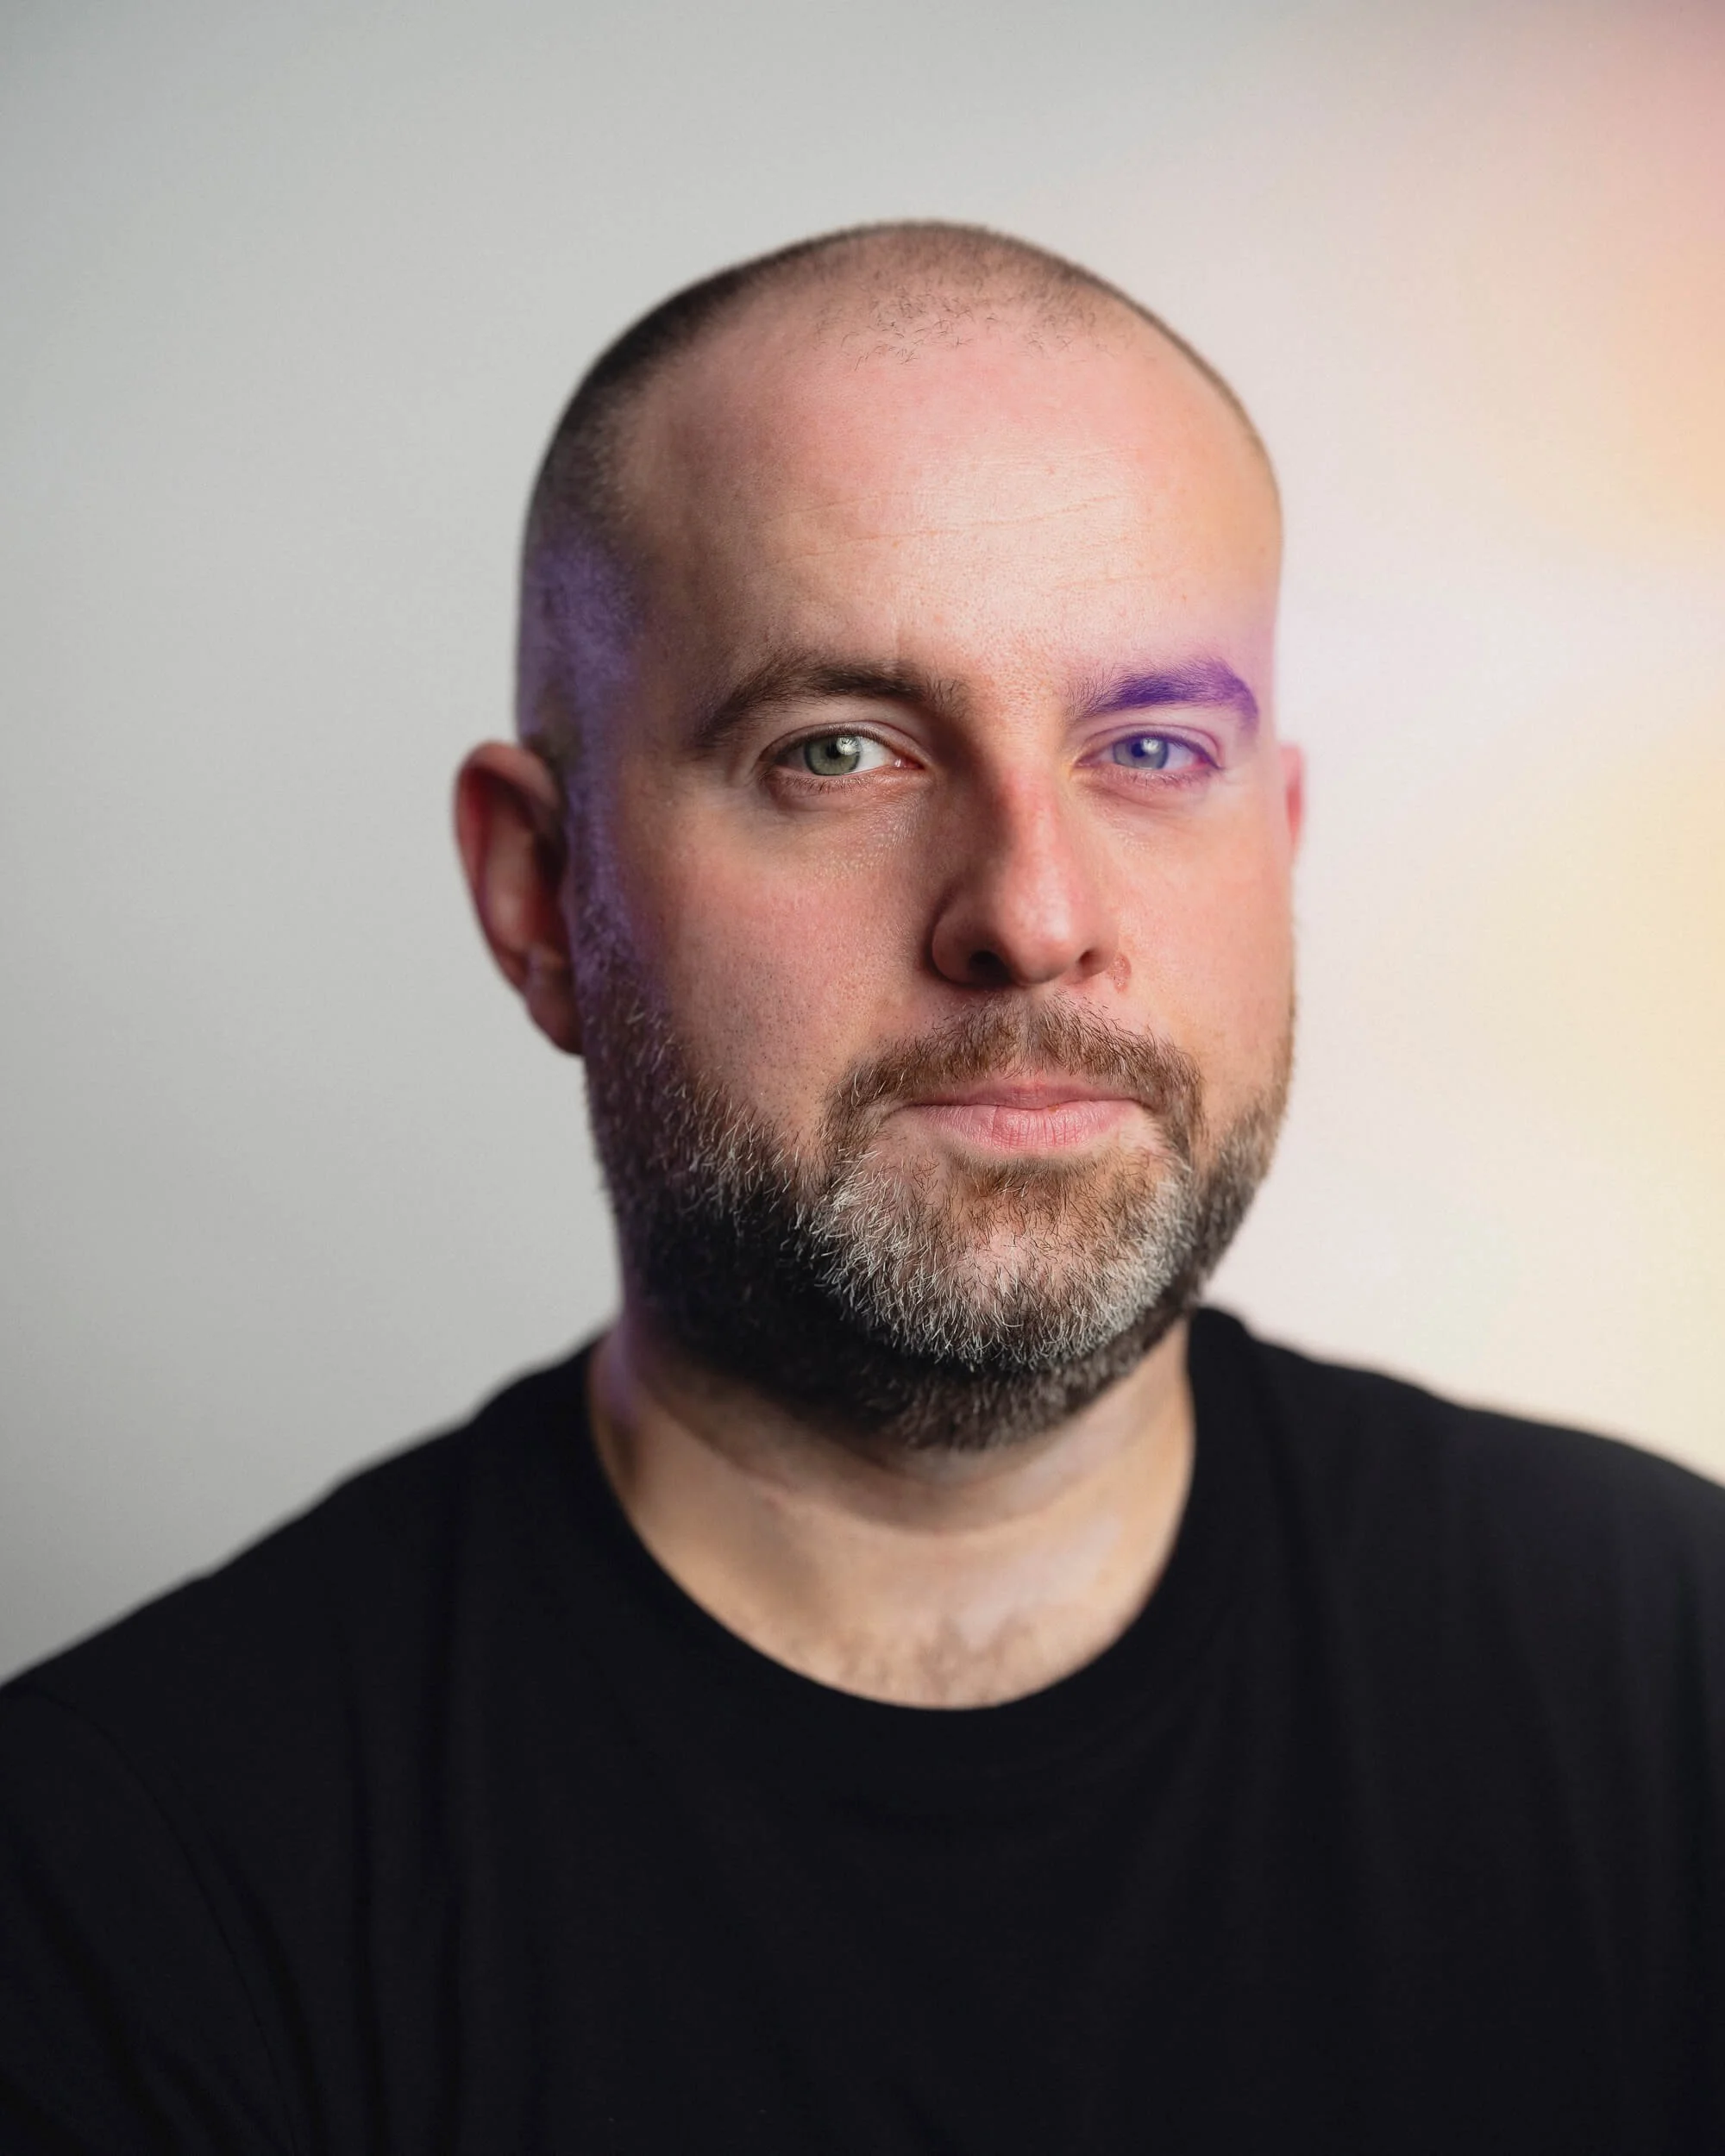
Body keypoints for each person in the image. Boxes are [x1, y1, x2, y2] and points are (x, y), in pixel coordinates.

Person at [1, 222, 1720, 2155]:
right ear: (541, 893)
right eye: (838, 750)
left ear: (1282, 839)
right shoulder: (120, 1887)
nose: (1032, 914)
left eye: (1149, 748)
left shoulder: (1673, 1683)